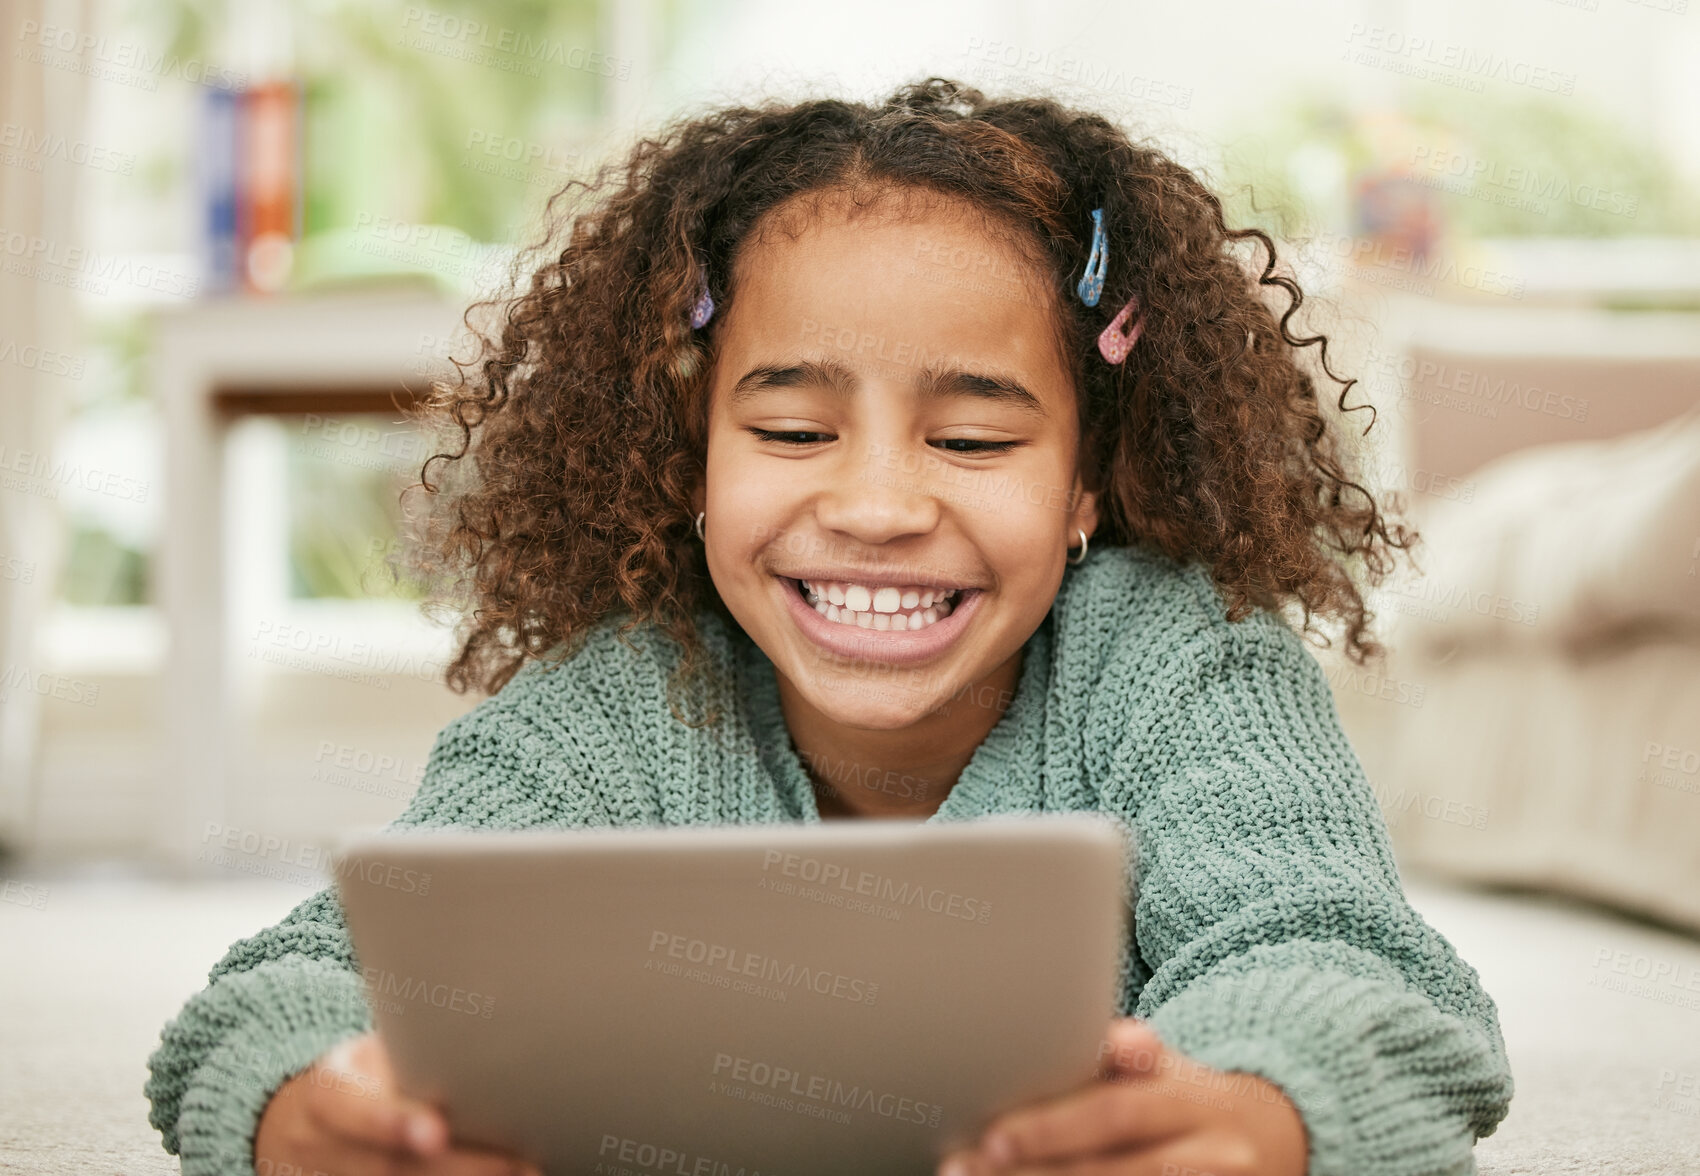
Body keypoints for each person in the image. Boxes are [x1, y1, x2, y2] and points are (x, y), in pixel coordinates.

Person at [146, 77, 1513, 1176]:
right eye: (793, 430)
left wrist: (1254, 1114)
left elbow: (1341, 961)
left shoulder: (1189, 660)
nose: (874, 505)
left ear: (1090, 477)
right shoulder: (624, 698)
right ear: (691, 460)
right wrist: (302, 1110)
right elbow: (298, 982)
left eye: (973, 435)